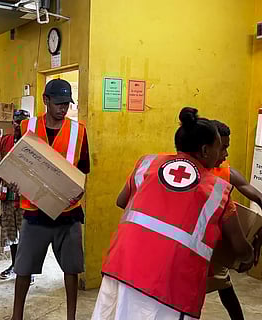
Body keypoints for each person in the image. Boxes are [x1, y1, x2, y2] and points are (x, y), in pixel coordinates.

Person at [91, 107, 254, 320]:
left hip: (122, 266)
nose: (222, 153)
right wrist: (251, 255)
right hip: (168, 284)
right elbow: (240, 248)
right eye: (218, 147)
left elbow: (122, 201)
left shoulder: (147, 164)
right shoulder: (215, 190)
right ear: (205, 150)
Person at [11, 79, 90, 320]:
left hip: (68, 214)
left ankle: (71, 317)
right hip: (35, 215)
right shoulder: (26, 126)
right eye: (58, 103)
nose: (63, 108)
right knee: (23, 269)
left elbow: (84, 169)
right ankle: (17, 316)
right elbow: (15, 163)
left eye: (66, 103)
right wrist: (14, 181)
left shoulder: (79, 131)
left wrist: (79, 189)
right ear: (45, 100)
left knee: (71, 269)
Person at [207, 120, 262, 320]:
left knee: (225, 285)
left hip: (217, 245)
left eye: (227, 148)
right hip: (195, 245)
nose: (225, 154)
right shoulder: (192, 172)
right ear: (207, 148)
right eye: (222, 148)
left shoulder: (224, 171)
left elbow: (255, 194)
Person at [0, 109, 32, 281]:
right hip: (7, 198)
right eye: (16, 122)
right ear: (12, 123)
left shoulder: (33, 144)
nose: (19, 126)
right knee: (11, 235)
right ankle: (15, 265)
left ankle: (27, 270)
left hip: (27, 198)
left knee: (27, 235)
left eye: (23, 123)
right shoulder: (4, 142)